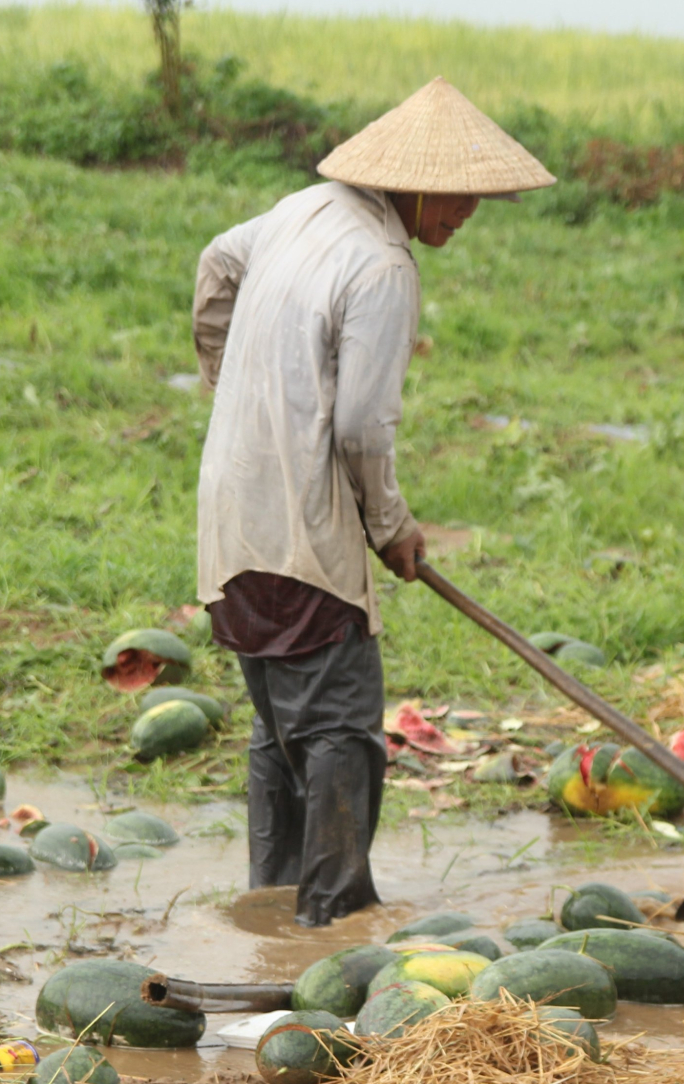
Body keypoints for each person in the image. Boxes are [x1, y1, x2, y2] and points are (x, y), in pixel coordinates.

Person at [190, 79, 554, 926]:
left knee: (283, 731)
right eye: (461, 196)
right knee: (342, 734)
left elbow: (216, 265)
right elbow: (359, 426)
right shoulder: (384, 265)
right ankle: (331, 935)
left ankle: (270, 921)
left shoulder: (301, 210)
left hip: (232, 512)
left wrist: (235, 396)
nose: (470, 214)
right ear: (415, 183)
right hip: (304, 534)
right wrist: (391, 524)